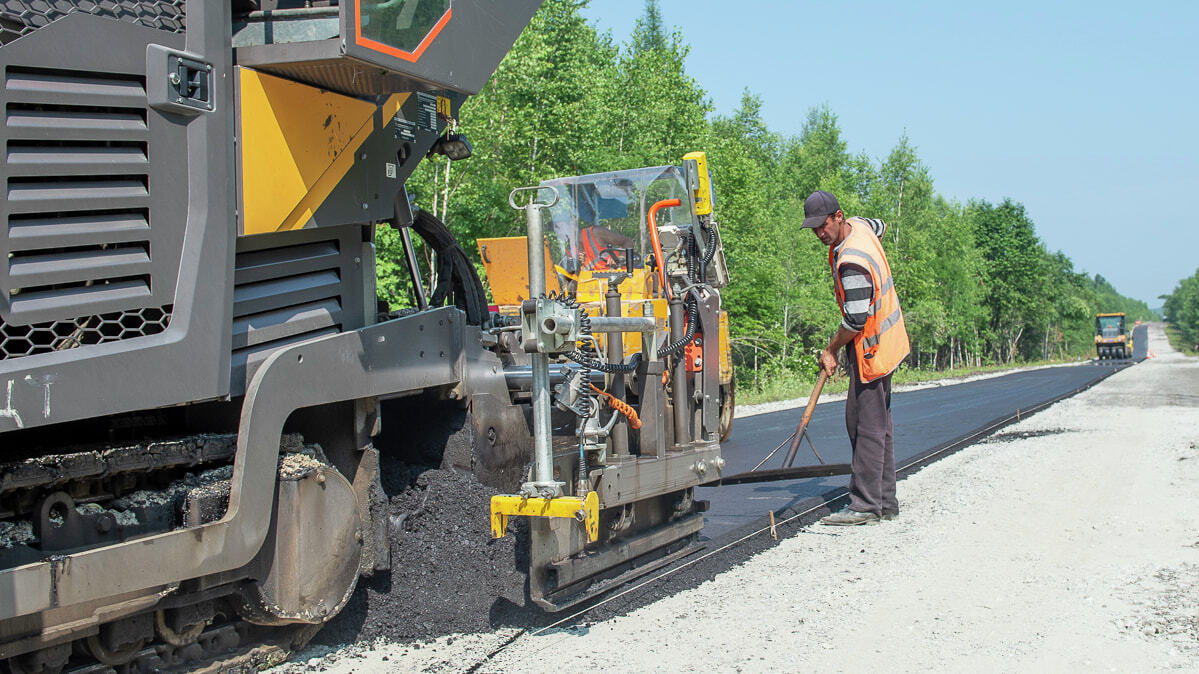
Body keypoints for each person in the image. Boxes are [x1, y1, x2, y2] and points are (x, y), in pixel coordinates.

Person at [800, 190, 910, 526]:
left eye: (824, 226)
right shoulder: (861, 227)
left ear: (838, 216)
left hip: (871, 346)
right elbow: (882, 225)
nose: (821, 234)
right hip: (887, 339)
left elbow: (855, 321)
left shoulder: (851, 262)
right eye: (815, 229)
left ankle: (865, 506)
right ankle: (885, 501)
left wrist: (831, 349)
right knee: (876, 424)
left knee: (867, 426)